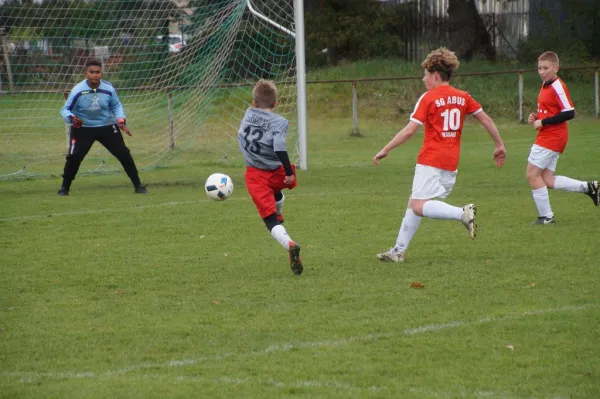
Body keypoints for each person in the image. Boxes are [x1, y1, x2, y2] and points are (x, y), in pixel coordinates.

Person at [373, 47, 506, 262]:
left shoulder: (428, 98)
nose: (423, 78)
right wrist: (499, 145)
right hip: (451, 161)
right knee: (414, 202)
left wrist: (385, 149)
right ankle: (398, 251)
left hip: (430, 159)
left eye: (425, 74)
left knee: (418, 205)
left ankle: (462, 214)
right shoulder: (463, 97)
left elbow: (409, 130)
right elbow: (487, 120)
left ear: (435, 75)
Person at [237, 79, 303, 275]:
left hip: (256, 174)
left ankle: (289, 243)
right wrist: (289, 173)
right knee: (277, 190)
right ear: (276, 104)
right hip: (278, 172)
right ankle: (280, 210)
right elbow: (279, 147)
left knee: (270, 219)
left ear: (254, 102)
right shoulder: (280, 122)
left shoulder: (248, 114)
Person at [526, 51, 599, 224]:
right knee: (547, 179)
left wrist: (543, 123)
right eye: (539, 68)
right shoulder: (545, 84)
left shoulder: (558, 85)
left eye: (546, 68)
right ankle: (589, 187)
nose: (542, 72)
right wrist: (537, 117)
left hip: (552, 137)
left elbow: (569, 112)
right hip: (550, 136)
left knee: (532, 175)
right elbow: (552, 110)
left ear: (556, 68)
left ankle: (547, 217)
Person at [58, 58, 147, 196]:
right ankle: (64, 188)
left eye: (98, 72)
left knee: (123, 153)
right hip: (83, 128)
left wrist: (121, 119)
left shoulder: (108, 89)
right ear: (85, 73)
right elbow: (65, 110)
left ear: (101, 73)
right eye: (92, 72)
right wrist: (71, 118)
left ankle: (138, 185)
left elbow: (116, 105)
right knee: (74, 157)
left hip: (107, 126)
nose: (95, 75)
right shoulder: (78, 90)